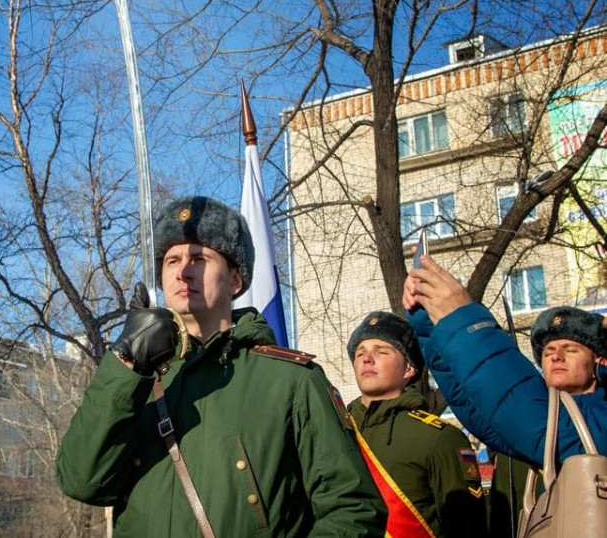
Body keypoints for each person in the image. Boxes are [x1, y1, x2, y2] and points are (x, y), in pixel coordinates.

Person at [56, 196, 387, 537]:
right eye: (172, 261)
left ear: (235, 280)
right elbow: (81, 482)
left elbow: (354, 509)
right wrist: (127, 360)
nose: (183, 271)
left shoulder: (292, 380)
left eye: (199, 259)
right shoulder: (134, 382)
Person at [403, 255, 607, 468]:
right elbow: (480, 407)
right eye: (548, 352)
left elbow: (543, 427)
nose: (556, 357)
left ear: (600, 362)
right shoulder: (530, 415)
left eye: (570, 349)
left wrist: (461, 320)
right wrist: (428, 312)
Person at [346, 311, 488, 537]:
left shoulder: (440, 438)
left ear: (409, 368)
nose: (366, 359)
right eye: (360, 353)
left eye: (381, 351)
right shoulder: (337, 429)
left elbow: (467, 528)